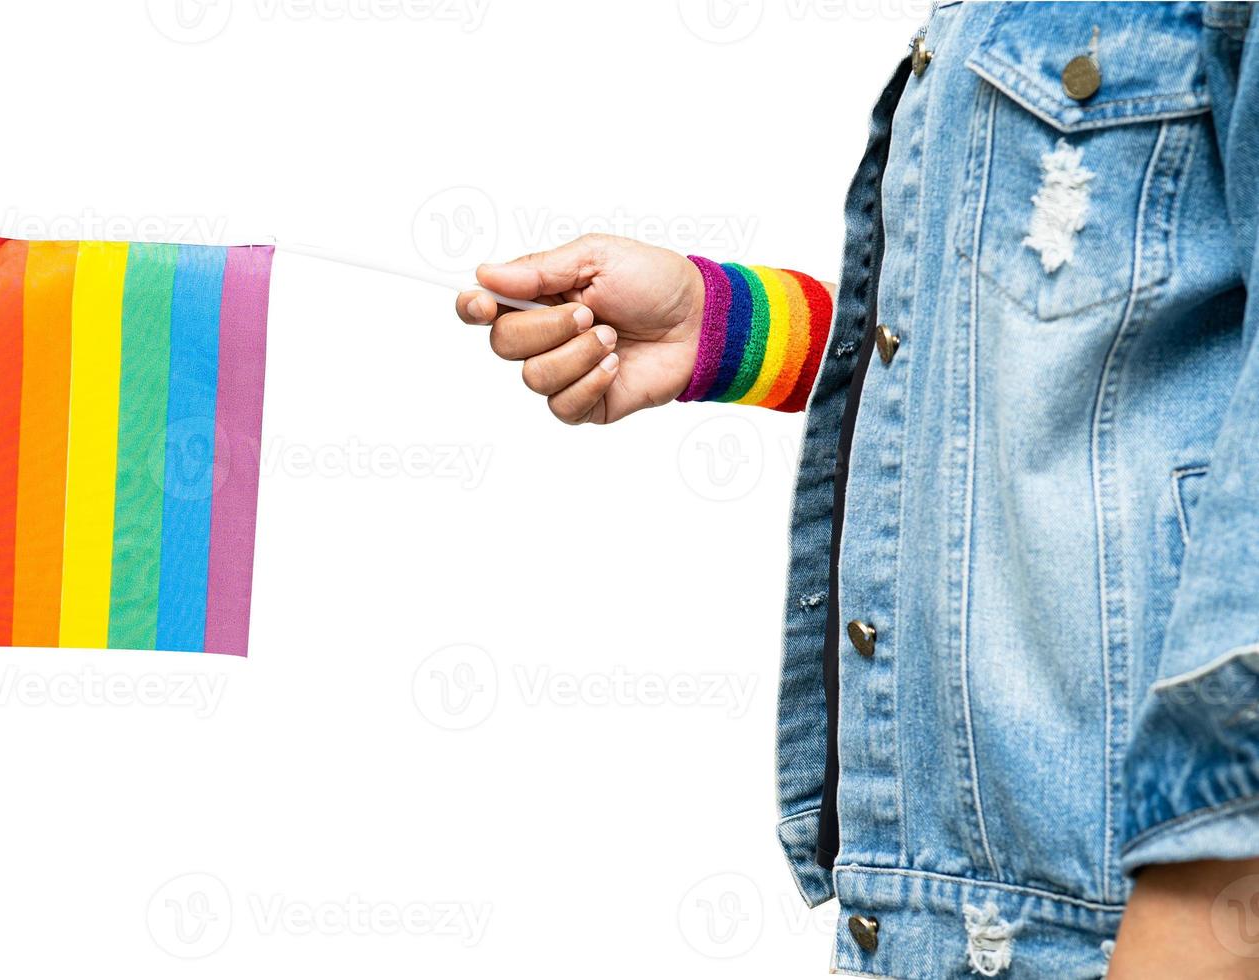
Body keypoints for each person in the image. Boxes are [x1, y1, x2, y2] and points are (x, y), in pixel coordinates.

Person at [456, 4, 1259, 978]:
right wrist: (726, 325)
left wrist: (1209, 902)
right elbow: (1058, 360)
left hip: (1128, 926)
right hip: (949, 925)